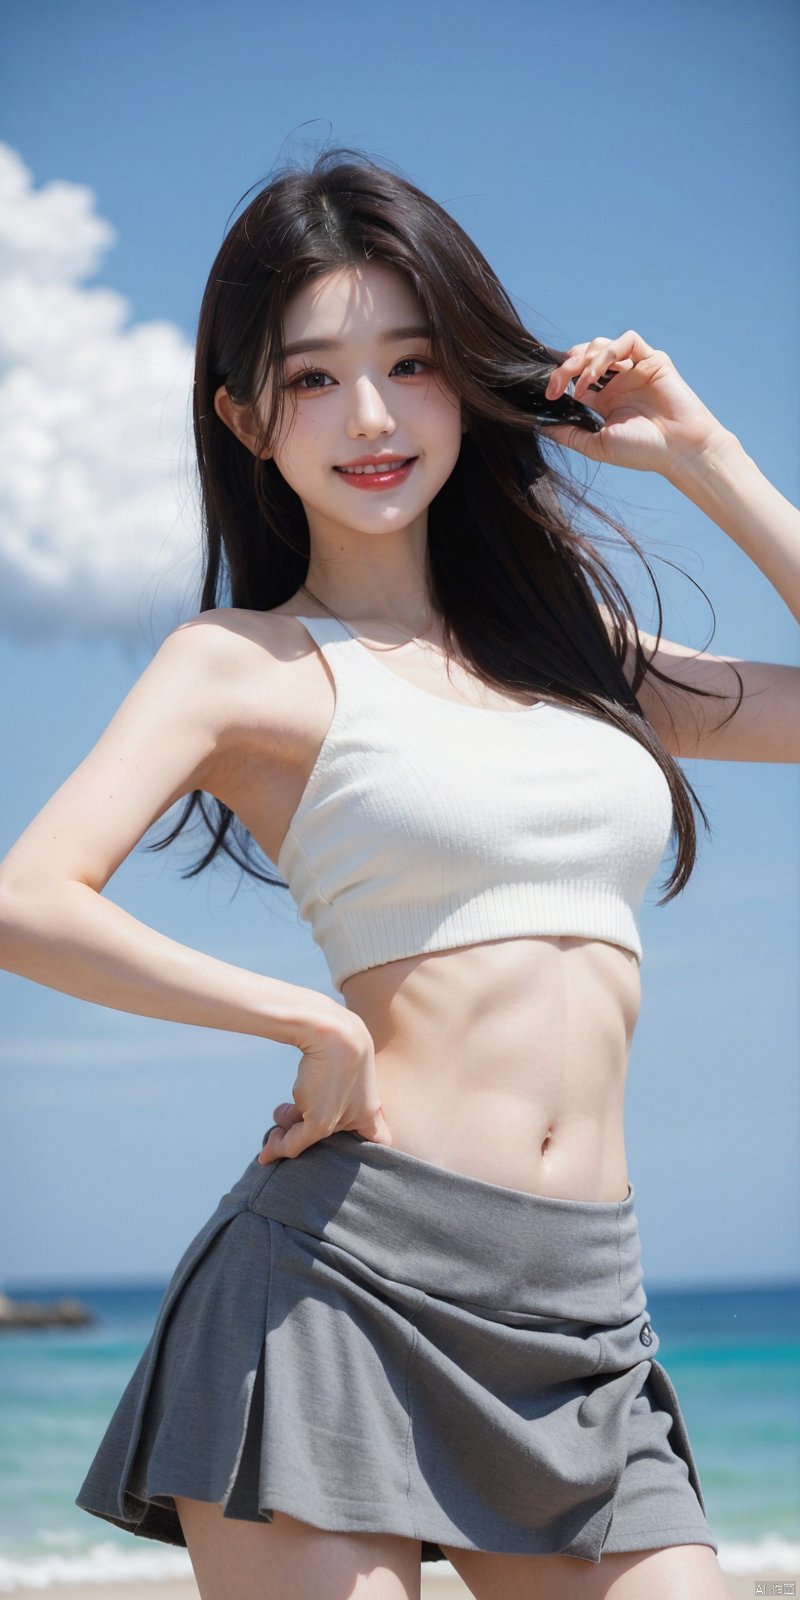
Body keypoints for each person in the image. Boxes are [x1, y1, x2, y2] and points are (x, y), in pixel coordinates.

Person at [0, 146, 796, 1600]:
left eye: (412, 360)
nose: (368, 416)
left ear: (467, 377)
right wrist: (309, 1024)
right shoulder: (244, 664)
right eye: (311, 378)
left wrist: (705, 456)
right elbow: (26, 900)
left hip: (586, 1317)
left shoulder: (579, 661)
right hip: (338, 1285)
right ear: (245, 417)